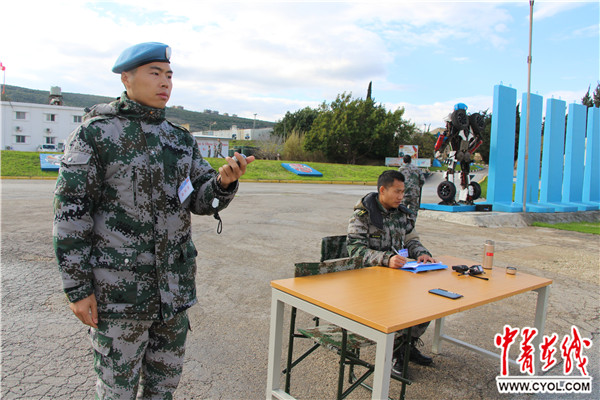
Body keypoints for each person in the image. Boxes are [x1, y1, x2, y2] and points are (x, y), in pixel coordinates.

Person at [53, 42, 254, 399]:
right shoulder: (96, 135)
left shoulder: (179, 140)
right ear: (126, 78)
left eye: (170, 75)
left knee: (163, 390)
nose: (165, 83)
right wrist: (77, 289)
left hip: (172, 295)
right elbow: (71, 214)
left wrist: (224, 183)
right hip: (119, 297)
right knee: (117, 392)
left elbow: (199, 198)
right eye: (155, 73)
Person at [346, 170, 435, 375]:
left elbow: (412, 239)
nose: (400, 197)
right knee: (398, 304)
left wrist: (422, 254)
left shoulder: (401, 214)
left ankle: (406, 344)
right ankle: (395, 352)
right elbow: (355, 250)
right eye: (396, 192)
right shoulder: (363, 215)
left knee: (430, 300)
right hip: (367, 281)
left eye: (403, 192)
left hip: (396, 277)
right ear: (382, 190)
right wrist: (386, 259)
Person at [399, 154, 425, 218]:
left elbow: (396, 182)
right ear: (411, 161)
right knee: (413, 211)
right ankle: (411, 225)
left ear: (403, 161)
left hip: (404, 193)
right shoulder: (417, 169)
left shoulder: (400, 170)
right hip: (415, 194)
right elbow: (422, 180)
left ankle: (403, 225)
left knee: (401, 210)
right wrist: (418, 187)